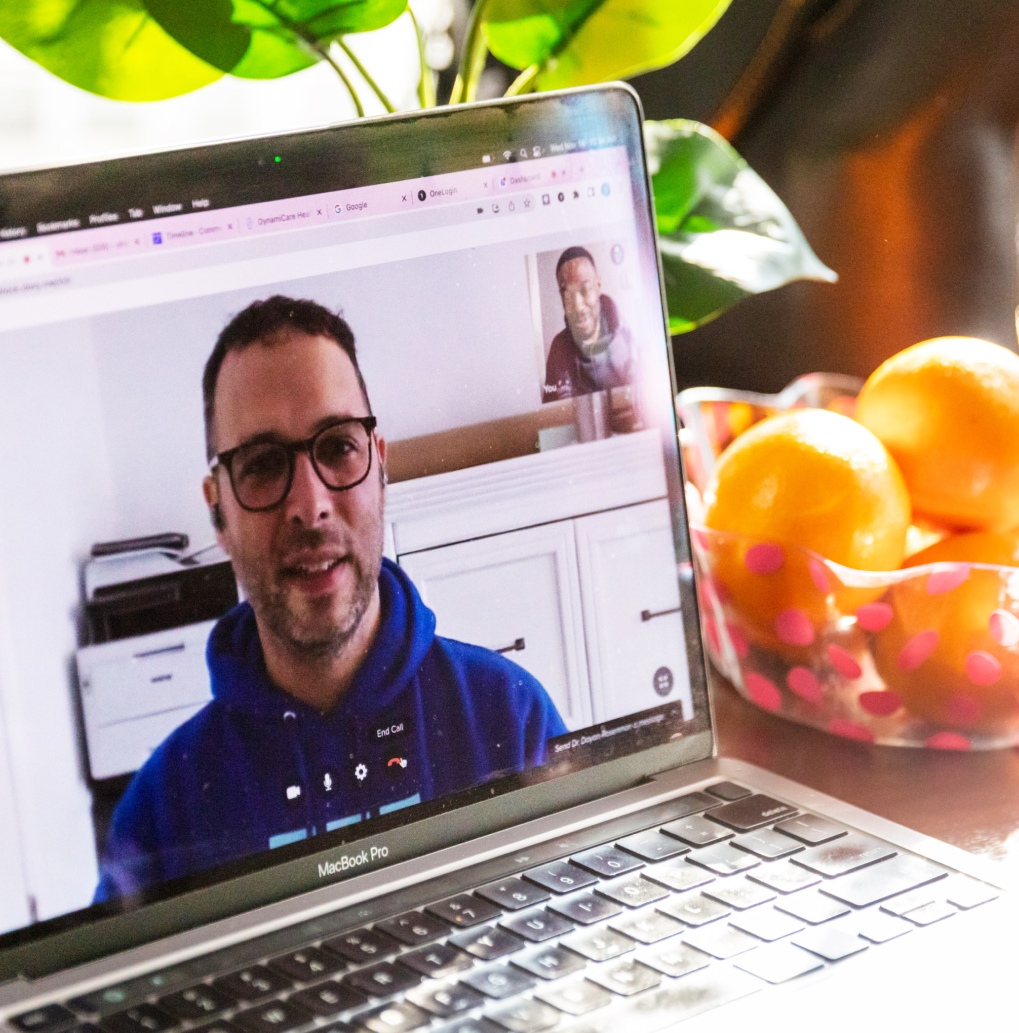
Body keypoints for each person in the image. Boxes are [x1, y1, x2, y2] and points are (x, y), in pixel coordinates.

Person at [96, 296, 567, 899]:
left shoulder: (511, 717)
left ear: (379, 467)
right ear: (217, 509)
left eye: (339, 446)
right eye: (263, 465)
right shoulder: (158, 819)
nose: (309, 505)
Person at [543, 246, 637, 429]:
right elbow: (549, 419)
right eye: (566, 294)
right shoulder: (558, 348)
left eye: (585, 290)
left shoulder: (627, 337)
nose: (577, 306)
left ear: (598, 286)